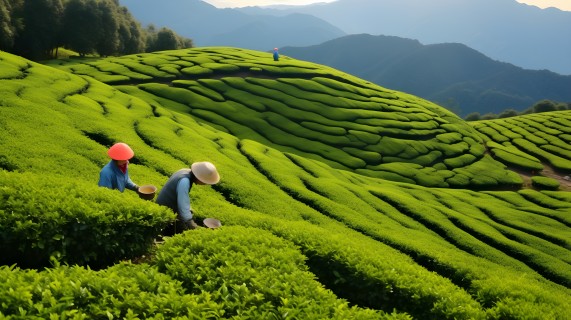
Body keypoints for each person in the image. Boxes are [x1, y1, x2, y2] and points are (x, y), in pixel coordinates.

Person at [156, 161, 220, 232]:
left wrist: (189, 209)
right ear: (200, 178)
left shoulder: (184, 171)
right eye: (205, 181)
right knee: (183, 230)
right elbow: (183, 205)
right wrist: (191, 223)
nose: (205, 184)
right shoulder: (185, 181)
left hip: (163, 206)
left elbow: (182, 198)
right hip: (165, 212)